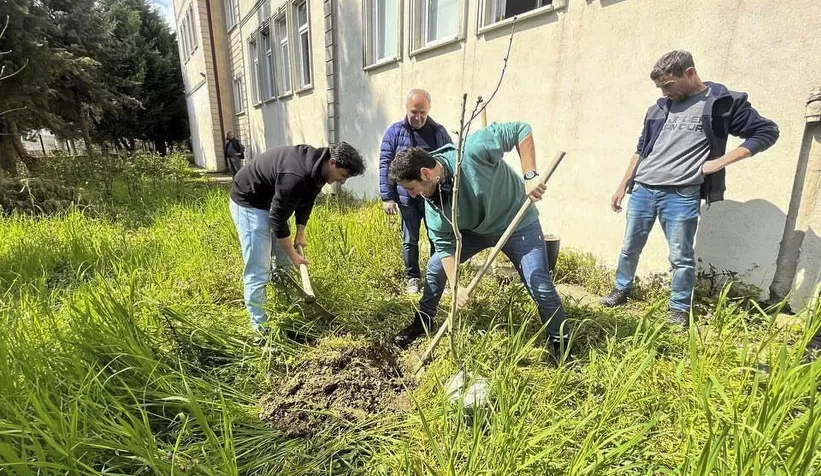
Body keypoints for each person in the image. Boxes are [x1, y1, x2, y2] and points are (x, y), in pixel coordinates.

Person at [601, 50, 779, 327]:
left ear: (690, 73)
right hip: (643, 189)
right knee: (629, 247)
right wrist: (622, 185)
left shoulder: (723, 103)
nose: (664, 91)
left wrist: (719, 162)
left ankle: (679, 307)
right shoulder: (658, 108)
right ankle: (621, 288)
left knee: (681, 256)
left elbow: (766, 132)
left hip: (682, 194)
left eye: (668, 85)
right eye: (660, 87)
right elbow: (641, 151)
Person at [388, 122, 569, 355]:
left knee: (539, 284)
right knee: (435, 267)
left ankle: (562, 342)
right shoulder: (433, 203)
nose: (412, 195)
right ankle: (424, 320)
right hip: (476, 231)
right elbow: (444, 247)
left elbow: (520, 130)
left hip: (518, 222)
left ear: (426, 173)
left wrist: (530, 175)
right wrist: (456, 288)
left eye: (411, 188)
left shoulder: (472, 151)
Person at [229, 142, 366, 332]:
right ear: (333, 162)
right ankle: (260, 330)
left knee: (284, 265)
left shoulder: (319, 169)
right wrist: (294, 254)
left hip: (271, 200)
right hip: (250, 202)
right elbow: (278, 218)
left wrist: (300, 234)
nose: (342, 182)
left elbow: (307, 201)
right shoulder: (296, 174)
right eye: (342, 176)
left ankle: (287, 308)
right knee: (259, 270)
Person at [379, 89, 453, 294]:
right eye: (414, 112)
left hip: (433, 198)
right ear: (407, 109)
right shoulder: (394, 132)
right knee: (410, 239)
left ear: (429, 109)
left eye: (422, 112)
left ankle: (437, 278)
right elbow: (385, 164)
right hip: (407, 199)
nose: (418, 117)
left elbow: (449, 160)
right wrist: (388, 196)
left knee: (436, 237)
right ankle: (412, 277)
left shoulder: (439, 132)